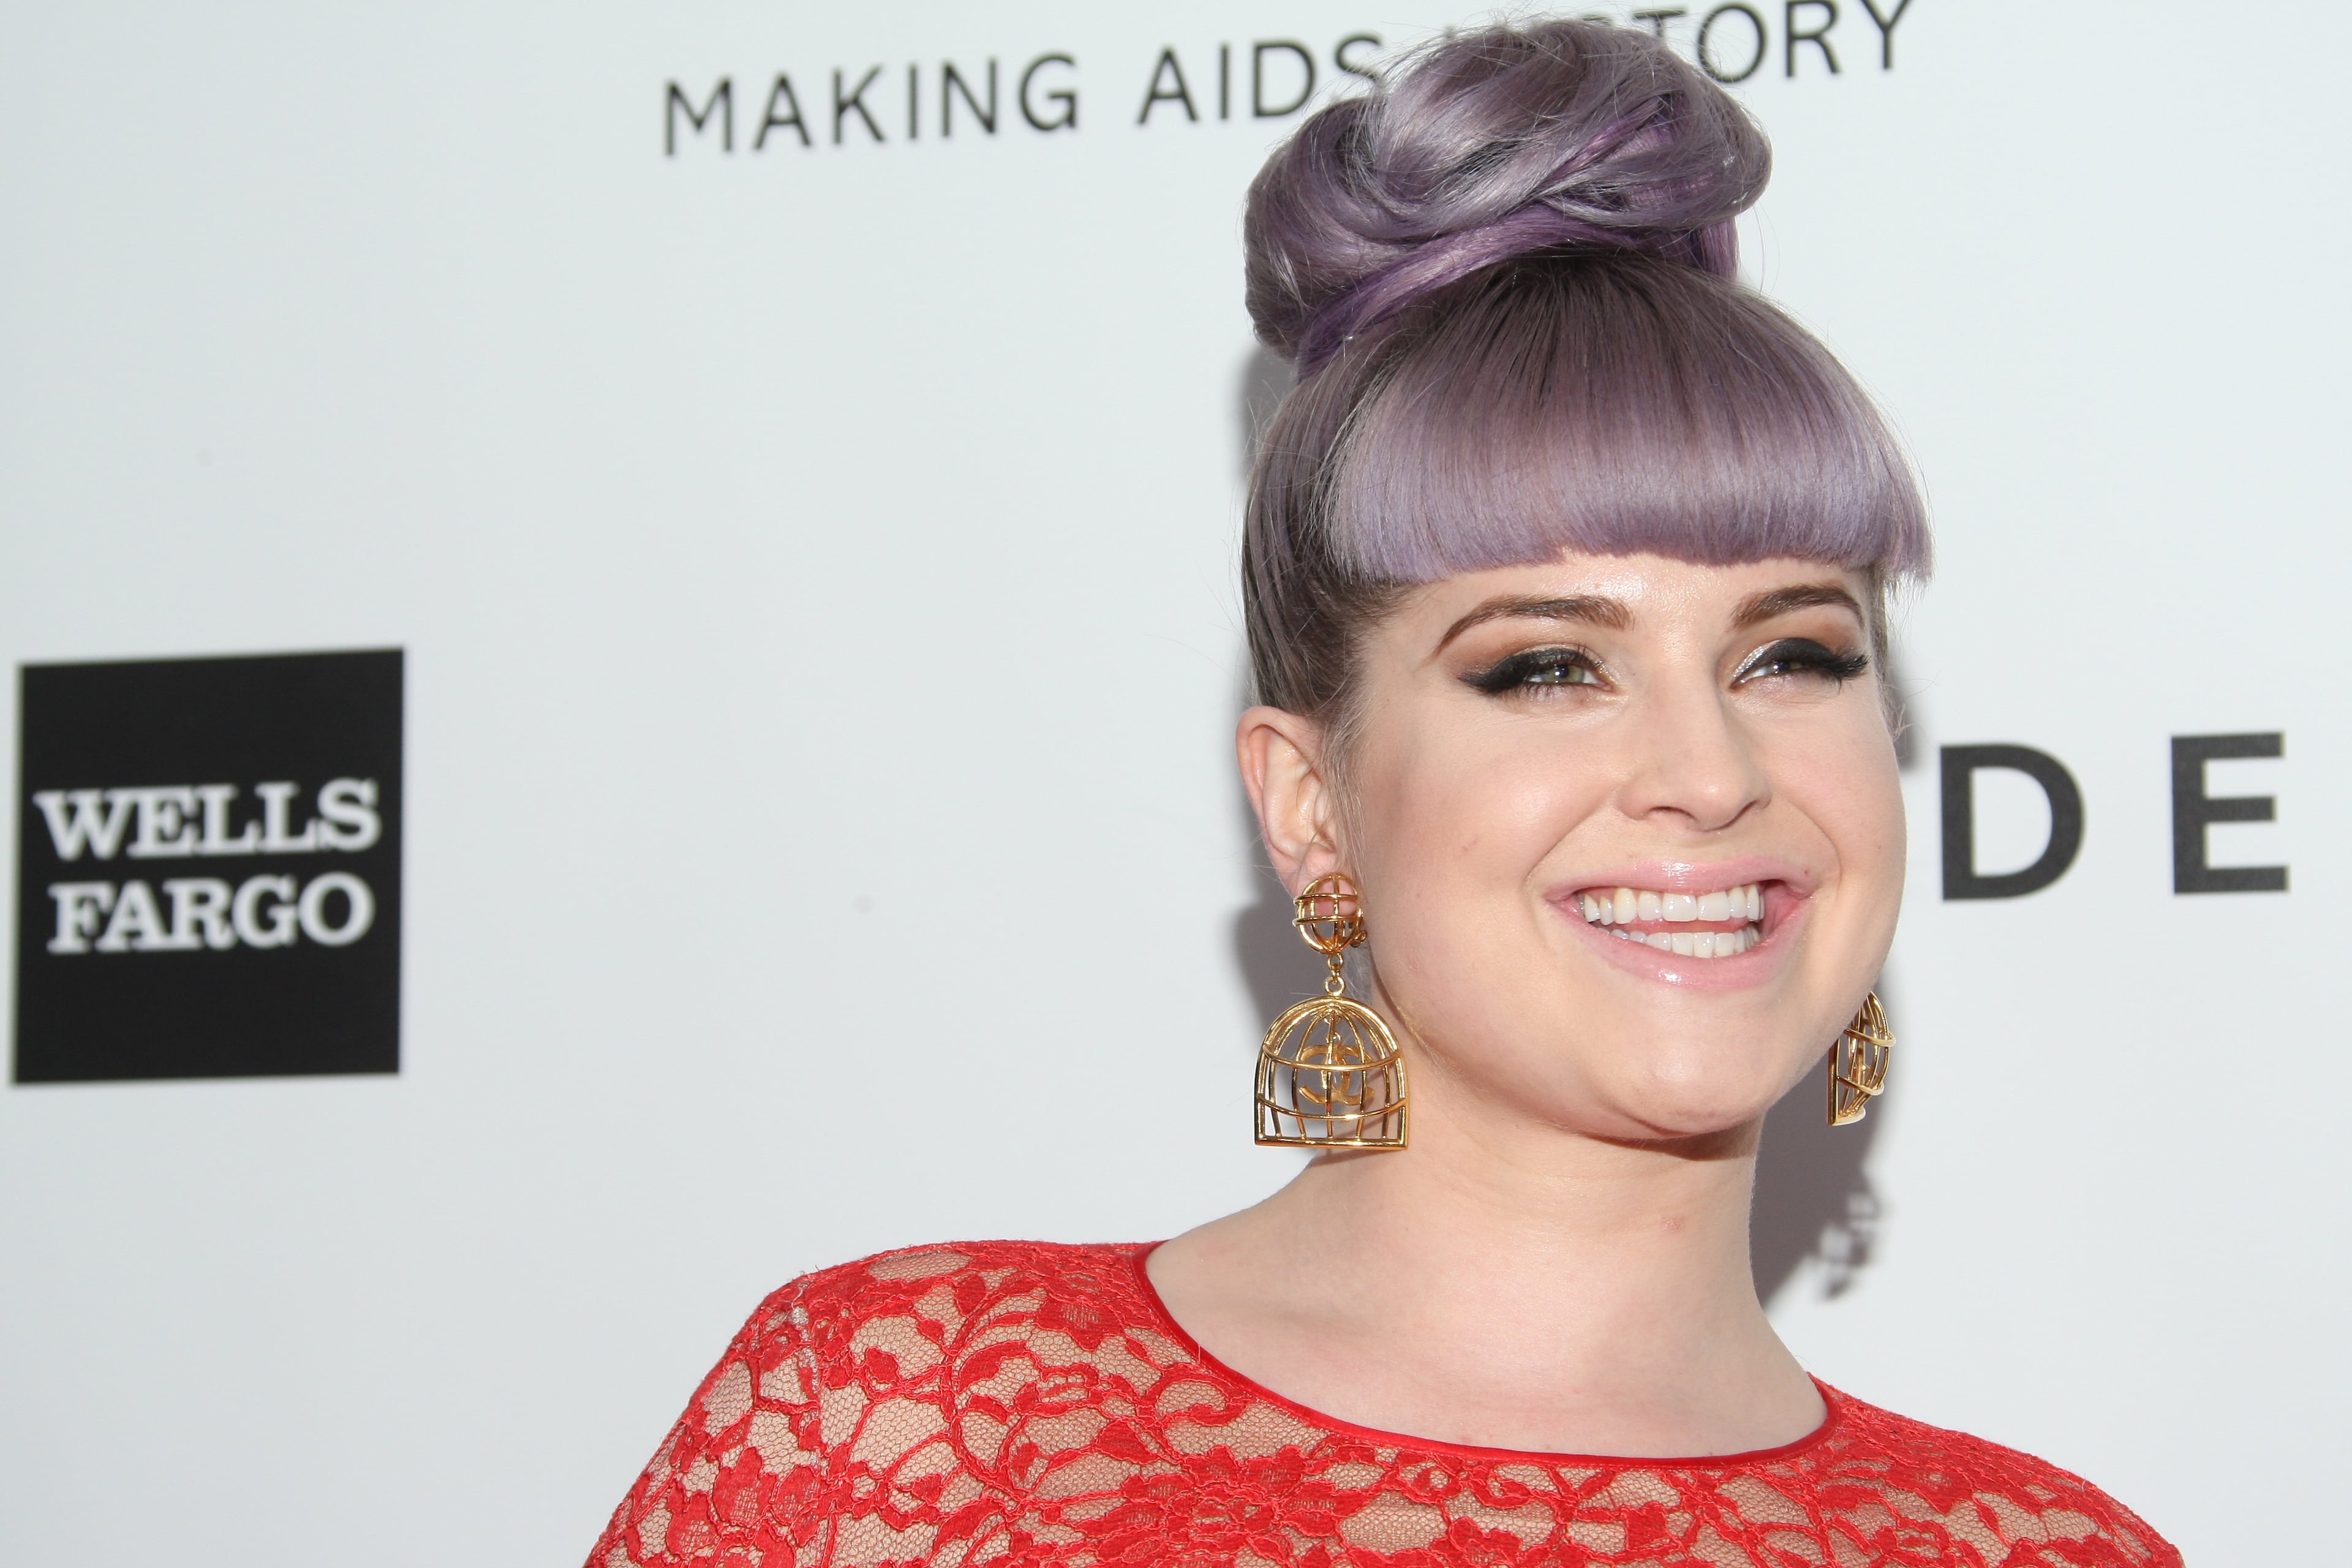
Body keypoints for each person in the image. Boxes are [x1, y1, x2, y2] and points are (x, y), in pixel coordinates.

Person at [587, 19, 2178, 1566]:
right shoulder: (894, 1429)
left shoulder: (2052, 1554)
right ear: (1310, 806)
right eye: (1548, 665)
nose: (1712, 773)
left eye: (1793, 655)